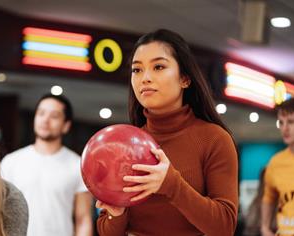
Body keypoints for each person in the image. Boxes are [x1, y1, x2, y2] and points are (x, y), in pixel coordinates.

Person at [96, 29, 238, 236]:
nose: (145, 78)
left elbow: (224, 227)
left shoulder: (214, 138)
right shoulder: (125, 144)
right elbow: (107, 232)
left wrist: (172, 185)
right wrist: (117, 214)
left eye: (158, 67)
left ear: (185, 79)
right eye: (137, 70)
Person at [0, 94, 93, 236]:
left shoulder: (77, 165)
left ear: (66, 125)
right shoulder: (11, 162)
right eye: (41, 113)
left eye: (54, 116)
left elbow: (83, 219)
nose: (45, 120)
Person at [261, 96, 294, 236]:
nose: (285, 128)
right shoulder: (276, 162)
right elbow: (268, 197)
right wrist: (265, 228)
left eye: (291, 122)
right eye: (281, 122)